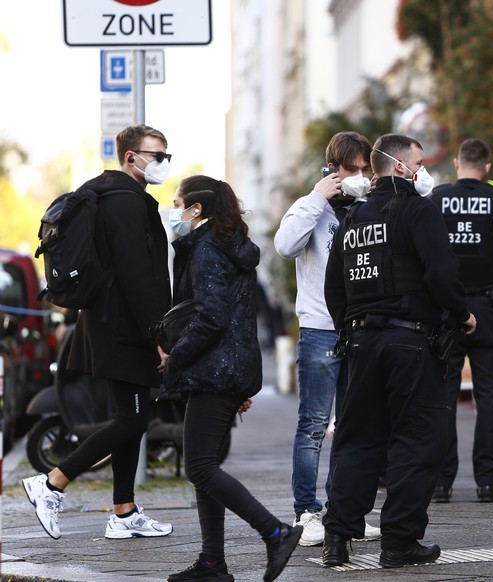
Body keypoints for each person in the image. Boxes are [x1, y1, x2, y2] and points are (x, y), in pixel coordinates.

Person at [320, 133, 476, 568]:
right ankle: (400, 542)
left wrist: (349, 330)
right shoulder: (418, 210)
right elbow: (442, 272)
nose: (423, 171)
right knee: (418, 439)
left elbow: (334, 288)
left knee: (357, 441)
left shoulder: (351, 220)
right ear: (403, 167)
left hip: (361, 343)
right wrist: (461, 314)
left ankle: (337, 538)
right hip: (410, 342)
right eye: (420, 163)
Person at [22, 125, 174, 540]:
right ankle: (52, 482)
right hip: (124, 326)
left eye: (165, 156)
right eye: (155, 155)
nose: (162, 163)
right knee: (134, 417)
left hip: (111, 322)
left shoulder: (110, 195)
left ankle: (124, 512)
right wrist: (158, 335)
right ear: (130, 156)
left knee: (133, 417)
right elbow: (137, 274)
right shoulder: (124, 202)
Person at [159, 175, 302, 582]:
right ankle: (212, 563)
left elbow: (211, 318)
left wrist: (175, 360)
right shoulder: (228, 247)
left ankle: (275, 533)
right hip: (229, 367)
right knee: (204, 465)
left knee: (201, 467)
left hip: (212, 369)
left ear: (196, 210)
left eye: (177, 203)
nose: (174, 211)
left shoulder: (205, 250)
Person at [274, 130, 380, 546]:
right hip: (320, 328)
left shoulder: (369, 208)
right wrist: (318, 199)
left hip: (360, 328)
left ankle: (343, 512)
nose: (358, 176)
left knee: (352, 425)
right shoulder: (309, 206)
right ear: (333, 168)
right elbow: (284, 246)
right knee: (313, 425)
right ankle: (307, 511)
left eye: (363, 170)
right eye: (351, 169)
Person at [428, 138, 493, 503]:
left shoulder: (438, 200)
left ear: (457, 164)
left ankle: (440, 482)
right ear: (487, 168)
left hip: (445, 311)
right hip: (490, 309)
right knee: (490, 399)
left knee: (443, 396)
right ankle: (489, 482)